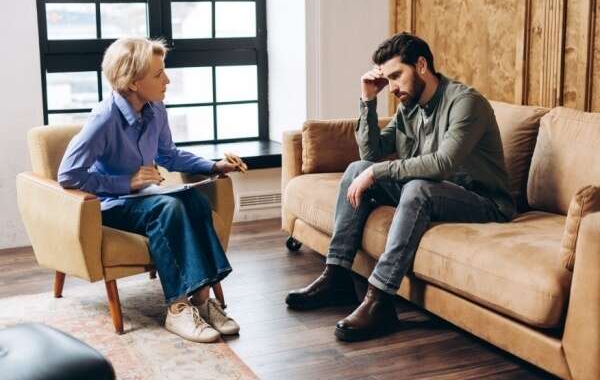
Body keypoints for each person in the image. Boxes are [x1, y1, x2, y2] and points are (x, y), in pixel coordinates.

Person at [285, 32, 515, 342]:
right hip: (432, 190)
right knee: (356, 170)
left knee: (416, 188)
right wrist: (368, 100)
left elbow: (442, 164)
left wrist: (378, 172)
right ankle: (337, 275)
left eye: (396, 76)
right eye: (387, 79)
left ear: (421, 65)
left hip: (483, 201)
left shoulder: (465, 103)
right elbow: (370, 154)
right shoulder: (410, 105)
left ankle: (380, 299)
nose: (392, 87)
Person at [58, 37, 240, 343]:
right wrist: (125, 182)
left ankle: (201, 301)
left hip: (144, 199)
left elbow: (169, 155)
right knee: (168, 209)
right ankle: (177, 309)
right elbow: (68, 175)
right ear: (132, 82)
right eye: (158, 74)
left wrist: (213, 166)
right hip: (109, 204)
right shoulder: (104, 119)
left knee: (194, 200)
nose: (167, 79)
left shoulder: (155, 108)